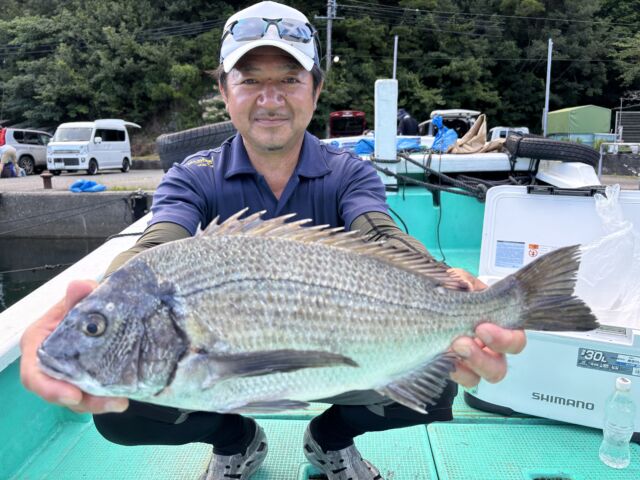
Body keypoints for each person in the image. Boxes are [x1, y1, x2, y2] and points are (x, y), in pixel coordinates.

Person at [20, 2, 526, 479]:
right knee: (122, 409)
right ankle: (236, 441)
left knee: (434, 382)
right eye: (250, 80)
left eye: (289, 79)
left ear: (315, 90)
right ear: (225, 91)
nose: (270, 98)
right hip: (228, 371)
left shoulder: (350, 173)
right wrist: (101, 303)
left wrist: (451, 287)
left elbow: (381, 233)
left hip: (351, 349)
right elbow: (157, 244)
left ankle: (330, 438)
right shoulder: (192, 176)